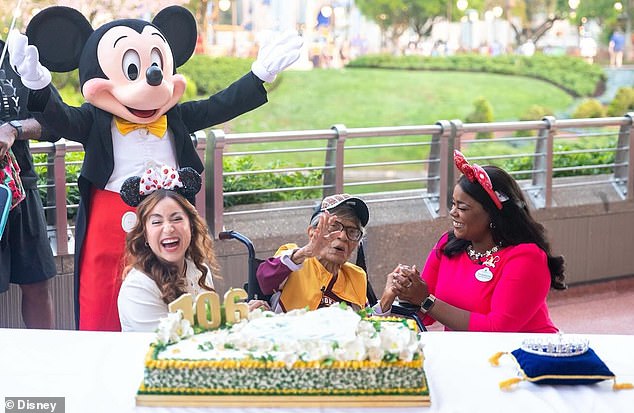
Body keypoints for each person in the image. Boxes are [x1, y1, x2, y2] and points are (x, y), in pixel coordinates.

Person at [377, 150, 565, 333]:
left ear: (492, 214)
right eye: (453, 204)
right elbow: (425, 315)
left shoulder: (526, 257)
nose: (453, 212)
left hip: (521, 356)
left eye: (463, 207)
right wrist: (405, 290)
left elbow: (497, 329)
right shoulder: (448, 244)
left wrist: (426, 300)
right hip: (464, 355)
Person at [117, 166, 268, 332]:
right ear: (144, 234)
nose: (168, 228)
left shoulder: (197, 269)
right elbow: (173, 345)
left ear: (192, 226)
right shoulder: (139, 288)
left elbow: (209, 325)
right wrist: (236, 320)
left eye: (176, 219)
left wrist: (242, 314)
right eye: (156, 222)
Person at [0, 39, 57, 329]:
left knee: (37, 284)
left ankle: (46, 362)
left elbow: (54, 122)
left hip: (21, 188)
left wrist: (13, 129)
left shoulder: (17, 58)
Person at [256, 194, 370, 313]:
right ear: (312, 233)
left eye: (352, 232)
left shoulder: (356, 276)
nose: (342, 236)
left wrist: (386, 301)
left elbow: (367, 320)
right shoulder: (292, 260)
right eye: (333, 226)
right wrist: (305, 252)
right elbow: (264, 280)